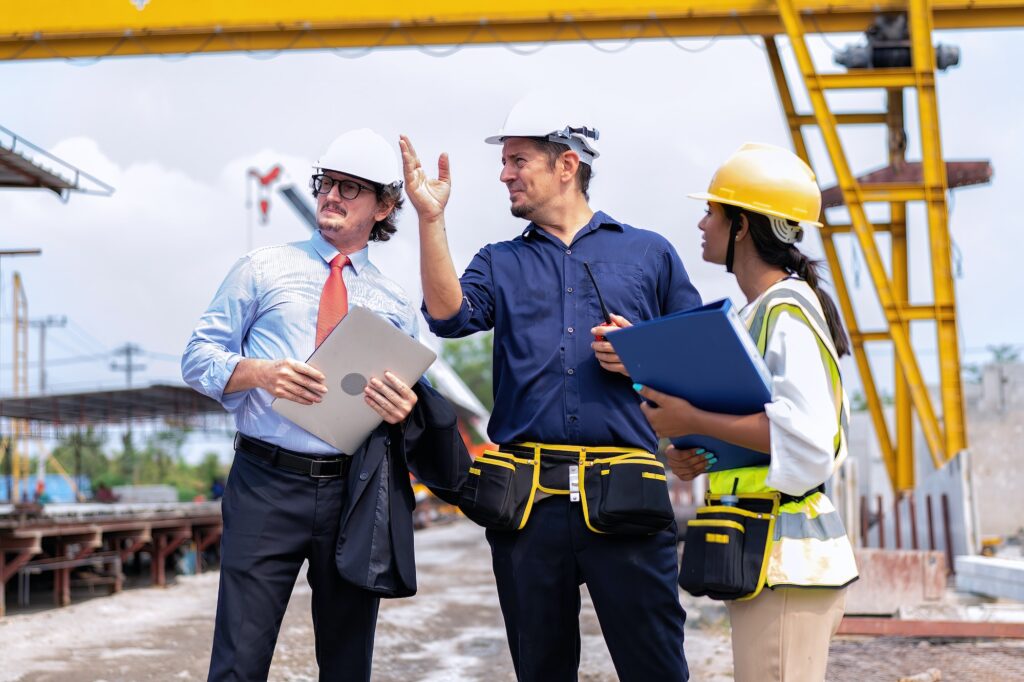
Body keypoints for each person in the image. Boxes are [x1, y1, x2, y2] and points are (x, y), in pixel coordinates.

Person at [402, 92, 701, 682]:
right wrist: (431, 219)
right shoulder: (499, 261)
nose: (504, 173)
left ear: (566, 165)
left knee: (657, 669)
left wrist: (642, 357)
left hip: (627, 495)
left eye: (518, 161)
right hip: (527, 506)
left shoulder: (649, 254)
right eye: (505, 161)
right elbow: (447, 314)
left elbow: (693, 364)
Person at [182, 128, 444, 681]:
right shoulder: (261, 268)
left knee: (348, 665)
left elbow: (409, 399)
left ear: (385, 206)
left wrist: (400, 406)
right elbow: (197, 357)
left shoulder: (396, 303)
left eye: (351, 188)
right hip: (264, 484)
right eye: (327, 182)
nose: (331, 196)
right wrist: (260, 372)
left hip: (354, 490)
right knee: (238, 662)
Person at [635, 143, 859, 682]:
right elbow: (759, 436)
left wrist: (692, 418)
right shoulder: (760, 315)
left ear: (742, 226)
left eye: (712, 211)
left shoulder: (786, 315)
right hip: (766, 560)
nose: (701, 221)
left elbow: (804, 441)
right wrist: (698, 456)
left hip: (787, 565)